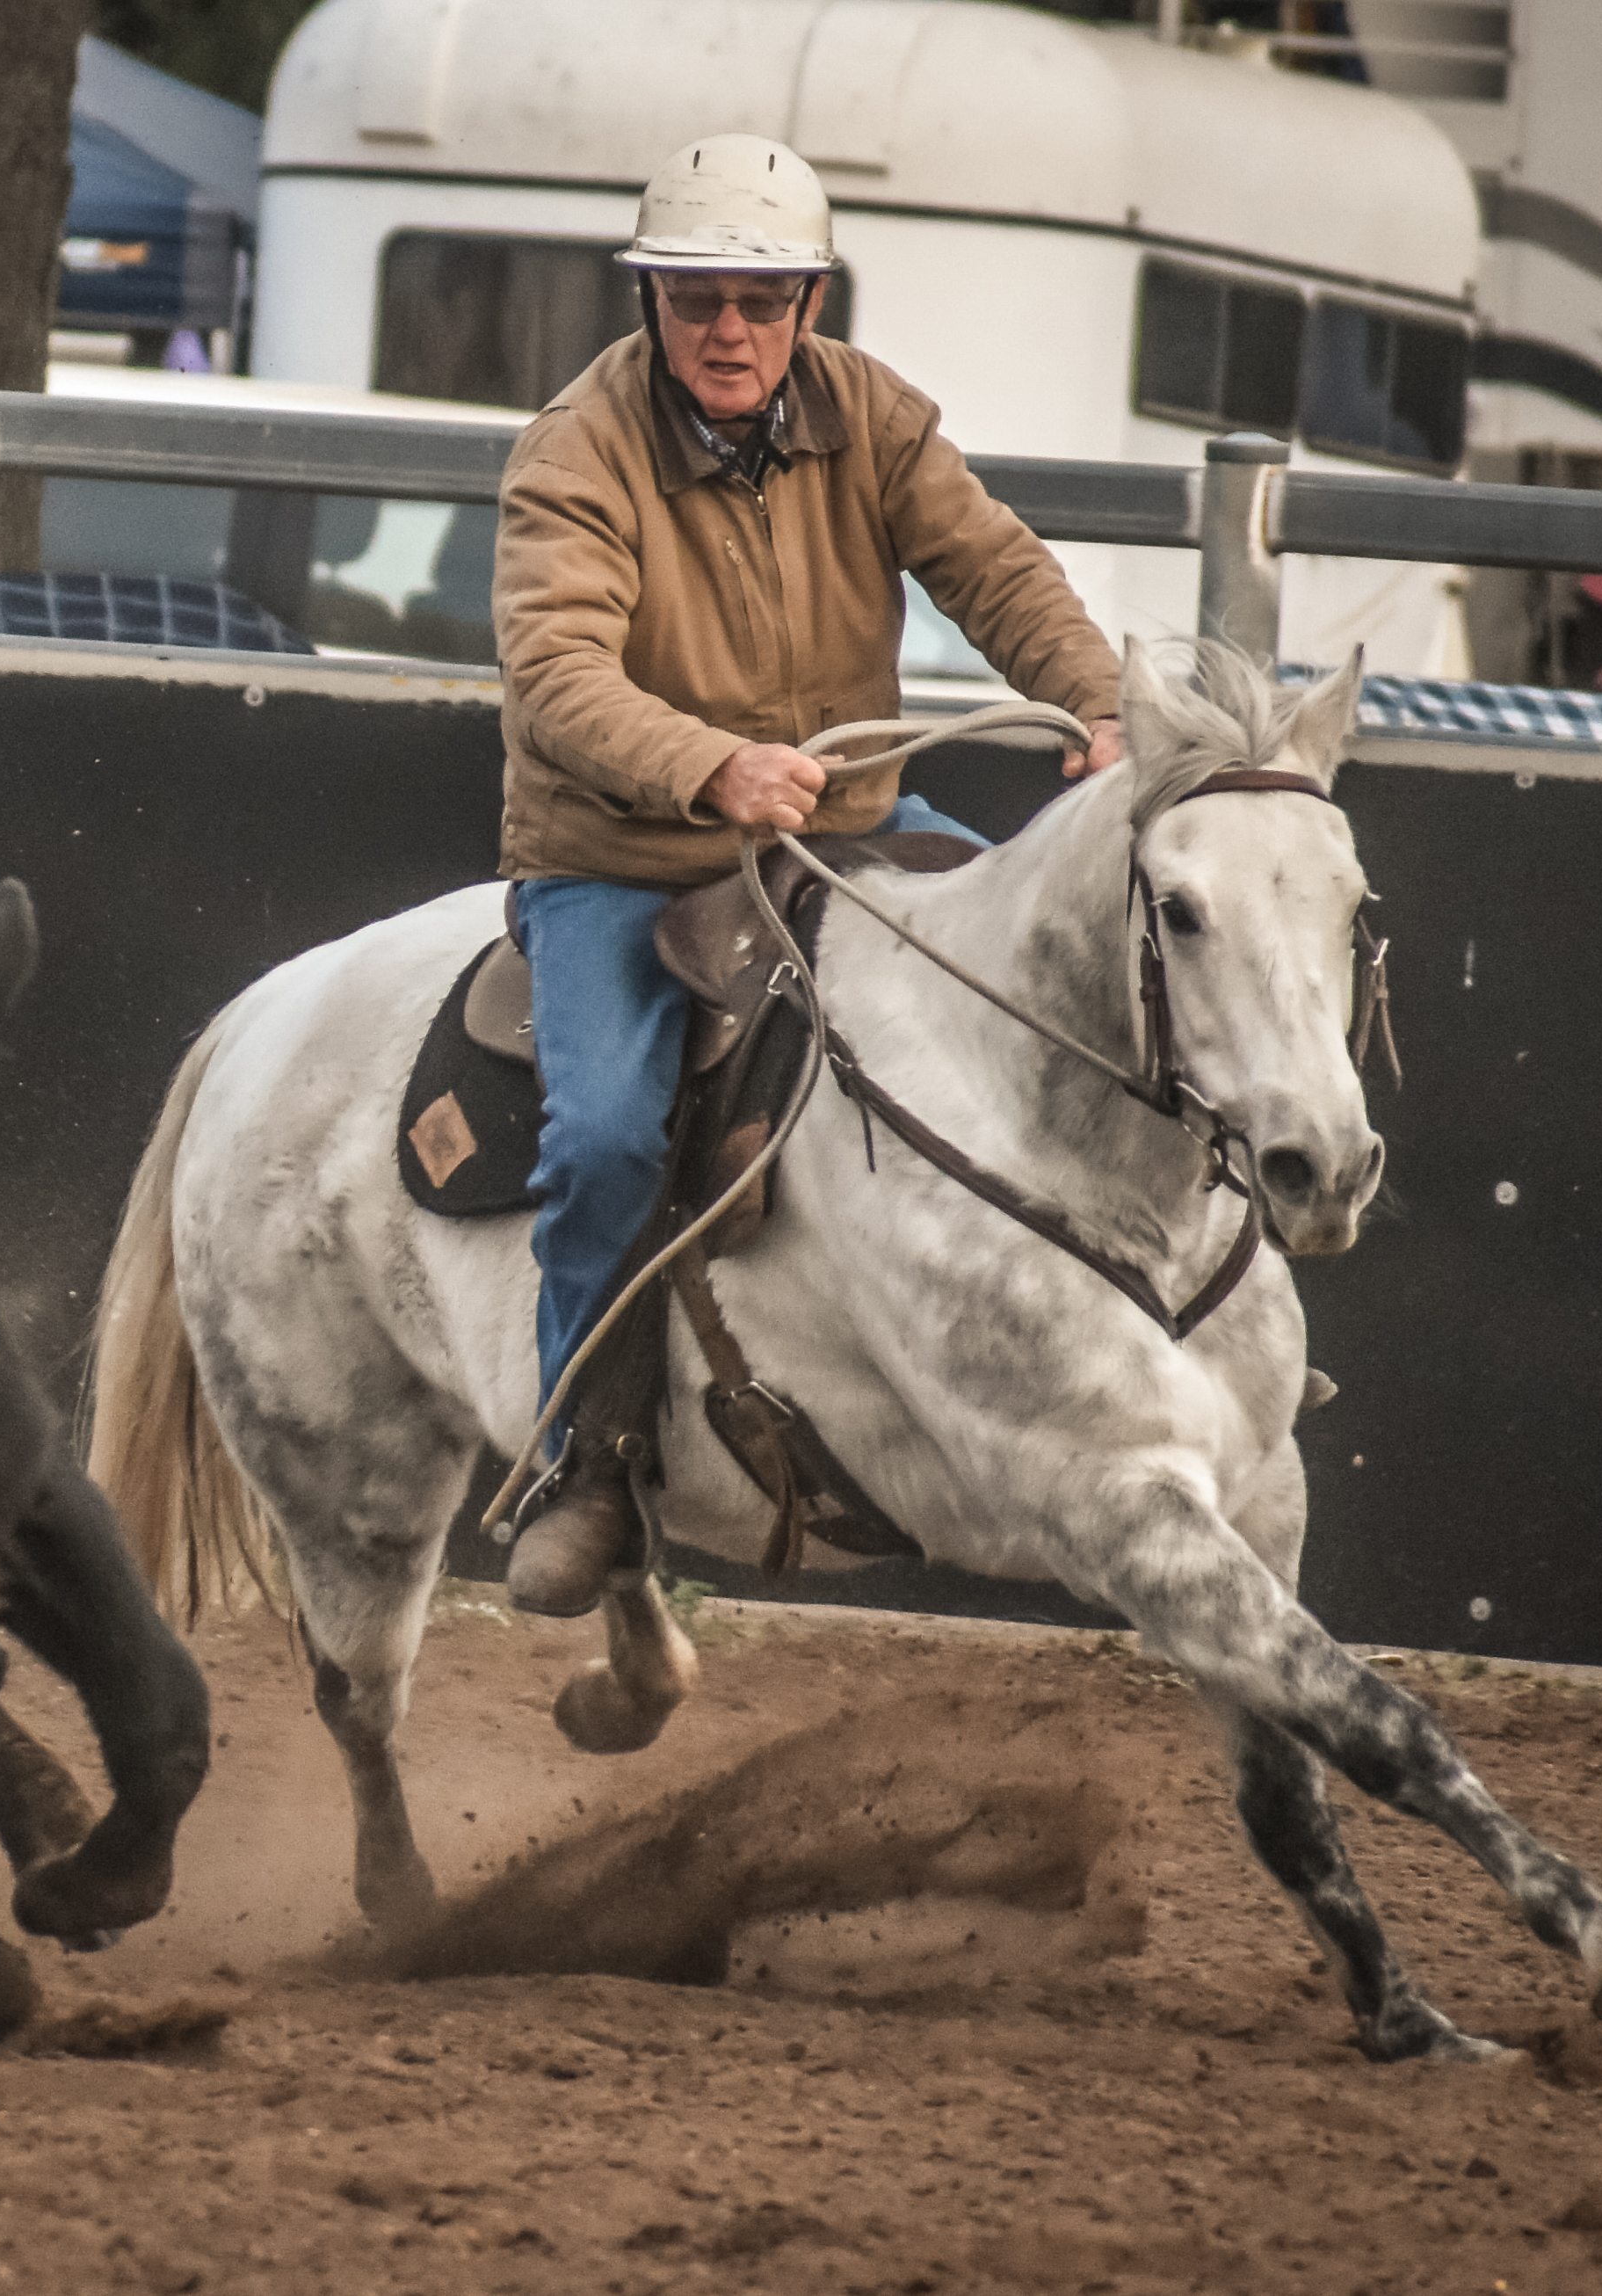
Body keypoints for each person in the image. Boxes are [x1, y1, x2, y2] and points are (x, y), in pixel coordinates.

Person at [492, 132, 1127, 1616]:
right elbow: (555, 675)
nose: (730, 330)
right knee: (602, 1139)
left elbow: (995, 572)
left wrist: (1101, 705)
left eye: (762, 300)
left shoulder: (874, 416)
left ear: (810, 303)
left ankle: (1150, 1320)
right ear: (649, 301)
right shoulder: (572, 452)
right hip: (625, 859)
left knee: (1060, 1008)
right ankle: (584, 1458)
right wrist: (708, 766)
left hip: (840, 832)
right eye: (696, 298)